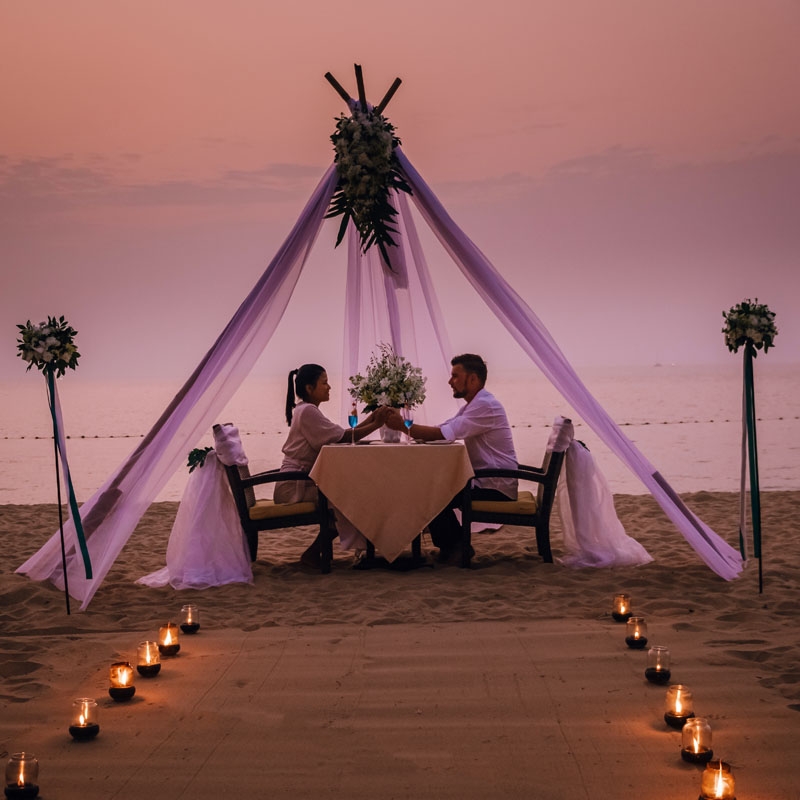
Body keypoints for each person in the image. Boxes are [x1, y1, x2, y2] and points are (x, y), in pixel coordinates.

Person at [385, 353, 518, 562]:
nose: (450, 381)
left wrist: (403, 427)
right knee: (430, 486)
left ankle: (456, 548)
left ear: (473, 379)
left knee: (431, 492)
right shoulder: (473, 405)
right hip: (487, 480)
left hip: (495, 485)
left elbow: (443, 434)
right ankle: (452, 546)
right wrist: (411, 430)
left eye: (455, 376)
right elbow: (444, 429)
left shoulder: (485, 405)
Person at [275, 364, 389, 567]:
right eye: (324, 383)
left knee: (348, 494)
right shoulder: (308, 411)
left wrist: (371, 419)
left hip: (298, 481)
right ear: (309, 388)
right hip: (293, 486)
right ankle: (317, 554)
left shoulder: (306, 410)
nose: (329, 387)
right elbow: (341, 439)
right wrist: (376, 425)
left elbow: (340, 435)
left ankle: (319, 553)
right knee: (348, 498)